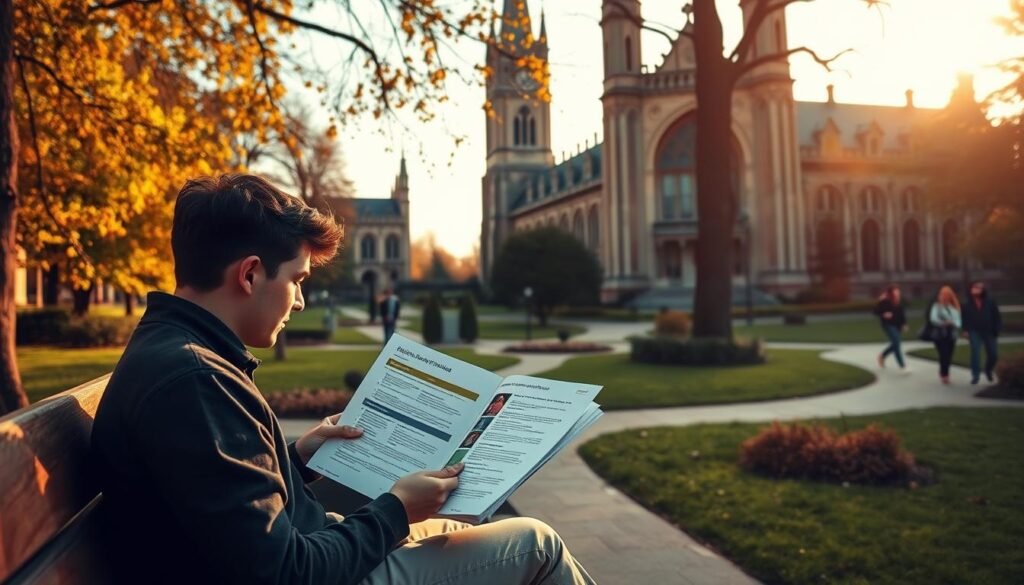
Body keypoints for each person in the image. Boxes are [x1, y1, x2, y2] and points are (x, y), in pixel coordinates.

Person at [91, 175, 595, 585]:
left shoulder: (179, 352)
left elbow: (217, 493)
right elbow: (285, 572)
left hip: (313, 543)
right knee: (535, 543)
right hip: (319, 568)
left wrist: (296, 458)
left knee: (471, 529)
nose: (301, 300)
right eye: (298, 280)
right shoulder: (192, 380)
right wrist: (395, 509)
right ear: (249, 275)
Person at [961, 280, 1002, 384]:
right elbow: (964, 318)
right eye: (975, 287)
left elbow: (996, 316)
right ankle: (975, 375)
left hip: (989, 331)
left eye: (979, 288)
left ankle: (988, 370)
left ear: (983, 290)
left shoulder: (990, 302)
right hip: (974, 331)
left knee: (993, 354)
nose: (977, 289)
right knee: (975, 353)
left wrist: (997, 329)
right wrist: (965, 330)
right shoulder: (966, 304)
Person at [929, 285, 962, 384]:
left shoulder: (954, 307)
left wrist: (953, 323)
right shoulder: (937, 306)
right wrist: (943, 323)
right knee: (944, 354)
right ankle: (945, 374)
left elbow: (959, 321)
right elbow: (933, 319)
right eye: (943, 294)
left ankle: (944, 371)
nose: (944, 296)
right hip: (940, 334)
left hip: (951, 334)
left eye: (947, 295)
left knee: (949, 355)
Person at [873, 285, 908, 371]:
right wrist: (883, 314)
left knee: (896, 344)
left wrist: (904, 324)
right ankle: (902, 365)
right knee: (896, 342)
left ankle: (882, 356)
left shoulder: (898, 302)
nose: (897, 294)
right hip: (888, 325)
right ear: (891, 293)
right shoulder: (885, 301)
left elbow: (902, 314)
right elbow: (876, 311)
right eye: (895, 292)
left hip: (897, 325)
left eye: (898, 292)